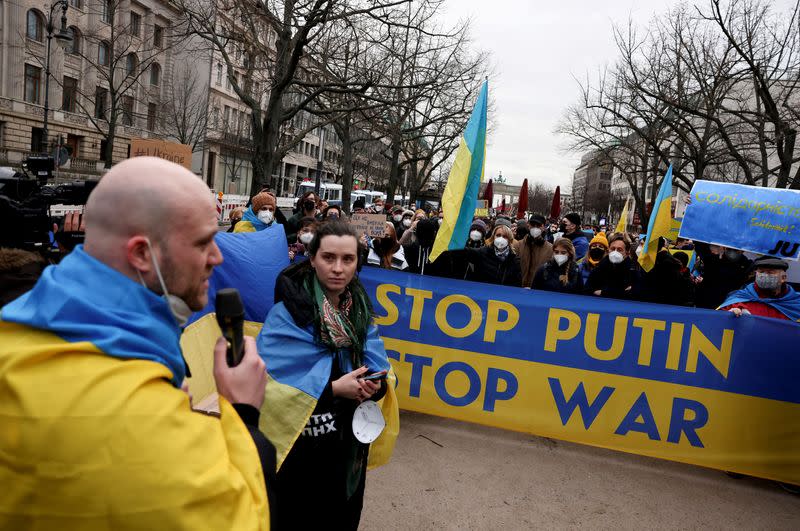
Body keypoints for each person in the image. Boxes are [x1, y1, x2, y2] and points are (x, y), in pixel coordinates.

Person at [0, 157, 272, 529]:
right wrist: (243, 414)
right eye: (204, 242)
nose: (218, 256)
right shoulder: (142, 420)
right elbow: (240, 519)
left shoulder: (15, 331)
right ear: (143, 254)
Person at [257, 221, 391, 529]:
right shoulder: (286, 314)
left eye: (348, 259)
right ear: (312, 257)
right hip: (301, 453)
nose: (338, 268)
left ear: (358, 263)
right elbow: (267, 387)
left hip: (348, 450)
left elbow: (380, 366)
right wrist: (331, 390)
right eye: (328, 257)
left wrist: (375, 385)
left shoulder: (359, 309)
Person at [719, 256, 800, 320]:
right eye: (761, 272)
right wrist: (729, 316)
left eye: (770, 272)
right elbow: (716, 324)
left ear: (783, 278)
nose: (765, 275)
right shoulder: (737, 300)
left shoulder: (796, 303)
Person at [693, 242, 752, 309]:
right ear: (724, 248)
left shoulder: (747, 266)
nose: (732, 252)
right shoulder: (712, 260)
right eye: (729, 249)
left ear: (743, 250)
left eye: (735, 250)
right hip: (706, 303)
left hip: (728, 305)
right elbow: (700, 245)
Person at [585, 232, 642, 300]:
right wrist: (620, 292)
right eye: (612, 248)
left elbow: (635, 293)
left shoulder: (632, 270)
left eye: (619, 250)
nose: (615, 252)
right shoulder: (600, 267)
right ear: (608, 249)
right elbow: (588, 289)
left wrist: (604, 292)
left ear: (627, 253)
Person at [639, 237, 693, 306]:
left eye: (643, 245)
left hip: (661, 304)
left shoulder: (664, 262)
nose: (642, 248)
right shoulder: (658, 259)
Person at [512, 214, 553, 288]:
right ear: (528, 226)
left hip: (537, 291)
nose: (535, 228)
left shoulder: (550, 249)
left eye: (538, 225)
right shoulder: (518, 245)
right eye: (533, 225)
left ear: (543, 227)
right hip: (518, 288)